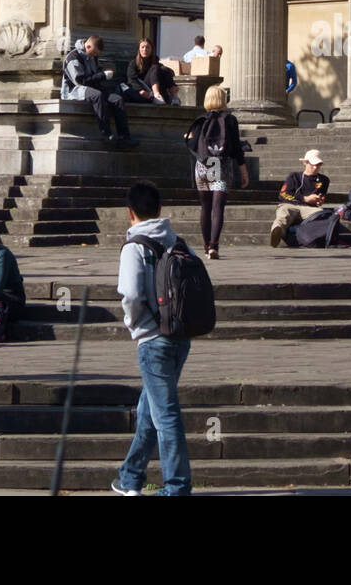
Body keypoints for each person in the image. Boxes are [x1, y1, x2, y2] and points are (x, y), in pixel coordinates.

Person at [113, 181, 195, 496]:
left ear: (129, 213)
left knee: (165, 414)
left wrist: (134, 324)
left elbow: (132, 293)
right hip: (180, 334)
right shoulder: (176, 241)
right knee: (150, 409)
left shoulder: (135, 246)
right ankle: (130, 477)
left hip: (152, 338)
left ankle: (177, 487)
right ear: (159, 210)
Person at [185, 85, 248, 260]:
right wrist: (243, 170)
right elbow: (236, 147)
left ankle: (205, 247)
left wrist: (187, 138)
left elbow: (192, 144)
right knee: (217, 207)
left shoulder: (201, 119)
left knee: (205, 207)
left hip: (202, 167)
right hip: (221, 166)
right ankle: (214, 245)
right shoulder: (230, 120)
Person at [62, 35, 136, 146]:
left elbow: (95, 75)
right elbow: (81, 81)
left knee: (117, 99)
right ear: (87, 46)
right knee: (97, 95)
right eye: (94, 53)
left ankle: (124, 137)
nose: (95, 56)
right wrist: (102, 76)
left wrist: (104, 76)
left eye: (97, 54)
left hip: (92, 86)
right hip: (74, 89)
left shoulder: (92, 56)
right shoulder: (73, 57)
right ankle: (106, 133)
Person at [269, 150, 330, 247]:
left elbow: (321, 197)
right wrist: (305, 198)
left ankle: (302, 233)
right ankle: (278, 232)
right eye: (312, 164)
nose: (315, 167)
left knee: (320, 213)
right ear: (305, 163)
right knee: (284, 212)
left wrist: (319, 200)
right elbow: (283, 194)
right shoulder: (294, 177)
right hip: (291, 205)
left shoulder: (324, 180)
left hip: (309, 208)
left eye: (318, 165)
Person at [122, 39, 157, 105]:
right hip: (138, 90)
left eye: (147, 47)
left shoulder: (155, 62)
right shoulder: (133, 63)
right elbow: (132, 79)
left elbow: (166, 71)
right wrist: (140, 90)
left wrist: (172, 84)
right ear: (139, 49)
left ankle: (171, 96)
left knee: (158, 68)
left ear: (151, 49)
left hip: (150, 87)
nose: (145, 50)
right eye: (142, 47)